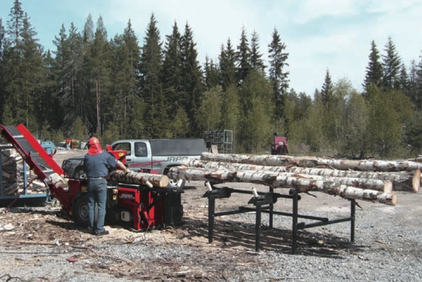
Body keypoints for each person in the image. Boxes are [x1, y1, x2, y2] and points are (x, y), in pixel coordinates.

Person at [84, 137, 128, 236]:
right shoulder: (105, 155)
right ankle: (99, 229)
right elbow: (117, 163)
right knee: (101, 206)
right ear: (98, 145)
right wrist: (125, 170)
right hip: (100, 182)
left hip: (90, 181)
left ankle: (91, 228)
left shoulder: (87, 157)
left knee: (91, 205)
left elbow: (86, 170)